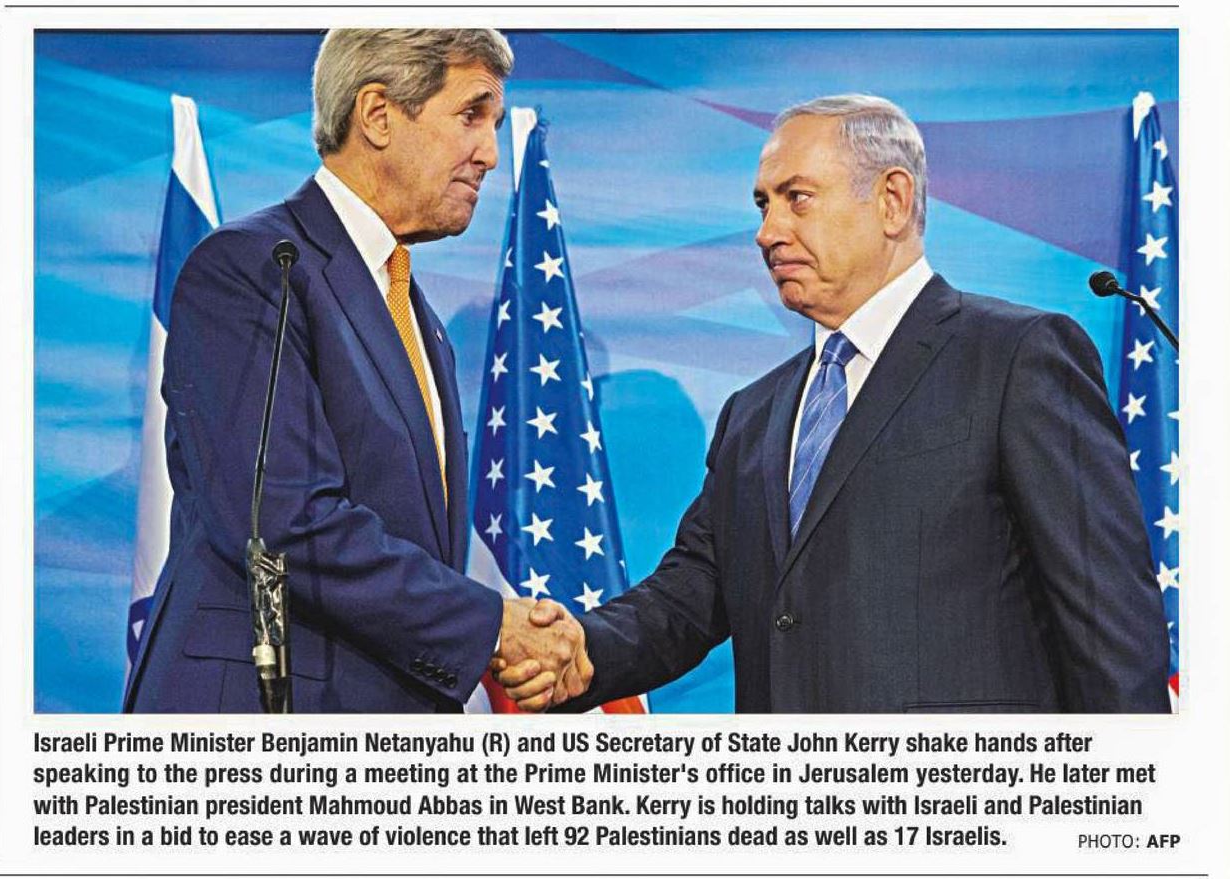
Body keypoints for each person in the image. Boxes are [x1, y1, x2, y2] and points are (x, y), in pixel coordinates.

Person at [500, 94, 1170, 713]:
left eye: (796, 198)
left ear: (891, 200)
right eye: (762, 205)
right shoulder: (753, 413)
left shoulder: (1015, 357)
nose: (767, 231)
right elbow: (694, 588)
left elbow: (1106, 623)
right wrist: (582, 649)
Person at [125, 28, 589, 713]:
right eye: (471, 114)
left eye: (494, 124)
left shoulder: (416, 315)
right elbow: (282, 520)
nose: (490, 154)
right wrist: (492, 625)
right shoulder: (254, 267)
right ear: (377, 114)